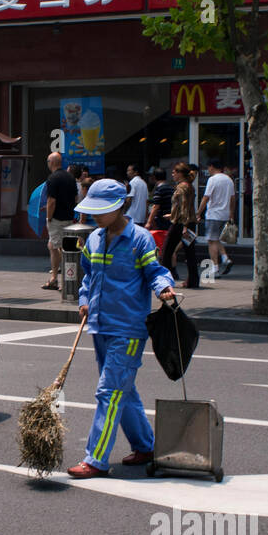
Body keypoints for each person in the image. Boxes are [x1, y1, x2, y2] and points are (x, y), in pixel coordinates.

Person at [66, 179, 176, 480]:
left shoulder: (140, 239)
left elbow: (155, 272)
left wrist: (164, 289)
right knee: (122, 390)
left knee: (109, 392)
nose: (95, 216)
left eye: (101, 211)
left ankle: (96, 459)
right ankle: (144, 446)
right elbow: (87, 277)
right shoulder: (94, 240)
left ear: (119, 207)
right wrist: (84, 300)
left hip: (128, 329)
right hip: (100, 325)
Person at [161, 162, 201, 289]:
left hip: (181, 225)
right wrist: (172, 215)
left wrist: (184, 225)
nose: (172, 174)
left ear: (180, 174)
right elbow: (186, 207)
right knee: (190, 253)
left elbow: (183, 207)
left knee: (166, 251)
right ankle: (193, 281)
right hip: (188, 223)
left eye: (174, 172)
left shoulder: (181, 187)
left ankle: (166, 279)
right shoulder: (190, 186)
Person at [43, 151, 77, 291]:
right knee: (53, 246)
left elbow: (52, 201)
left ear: (52, 162)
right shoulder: (70, 177)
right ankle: (54, 279)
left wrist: (48, 217)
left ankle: (66, 280)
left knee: (60, 249)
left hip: (56, 219)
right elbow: (75, 198)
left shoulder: (52, 178)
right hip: (69, 217)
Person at [195, 157, 234, 276]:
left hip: (213, 214)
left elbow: (206, 197)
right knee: (216, 238)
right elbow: (233, 198)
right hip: (225, 214)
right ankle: (225, 258)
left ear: (211, 166)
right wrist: (231, 213)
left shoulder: (212, 180)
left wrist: (198, 212)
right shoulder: (229, 180)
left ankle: (215, 267)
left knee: (211, 241)